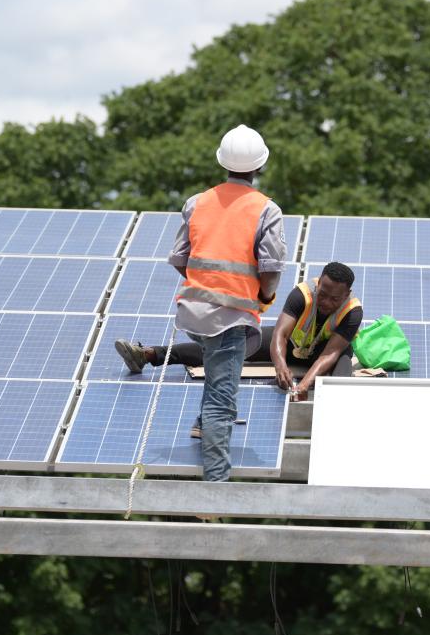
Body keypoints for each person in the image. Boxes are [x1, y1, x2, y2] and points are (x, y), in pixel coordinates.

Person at [113, 124, 286, 483]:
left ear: (222, 162)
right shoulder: (267, 210)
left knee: (214, 371)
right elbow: (270, 269)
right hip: (234, 316)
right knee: (223, 399)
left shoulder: (197, 202)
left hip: (193, 311)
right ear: (259, 166)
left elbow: (180, 258)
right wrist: (265, 297)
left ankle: (194, 416)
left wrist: (203, 284)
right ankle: (216, 487)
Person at [116, 262, 364, 417]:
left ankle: (336, 420)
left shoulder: (353, 311)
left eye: (335, 299)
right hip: (291, 347)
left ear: (347, 294)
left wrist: (304, 385)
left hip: (326, 354)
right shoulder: (302, 294)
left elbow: (329, 354)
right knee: (227, 347)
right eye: (323, 294)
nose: (326, 302)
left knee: (341, 380)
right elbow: (280, 334)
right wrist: (280, 366)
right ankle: (150, 354)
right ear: (319, 285)